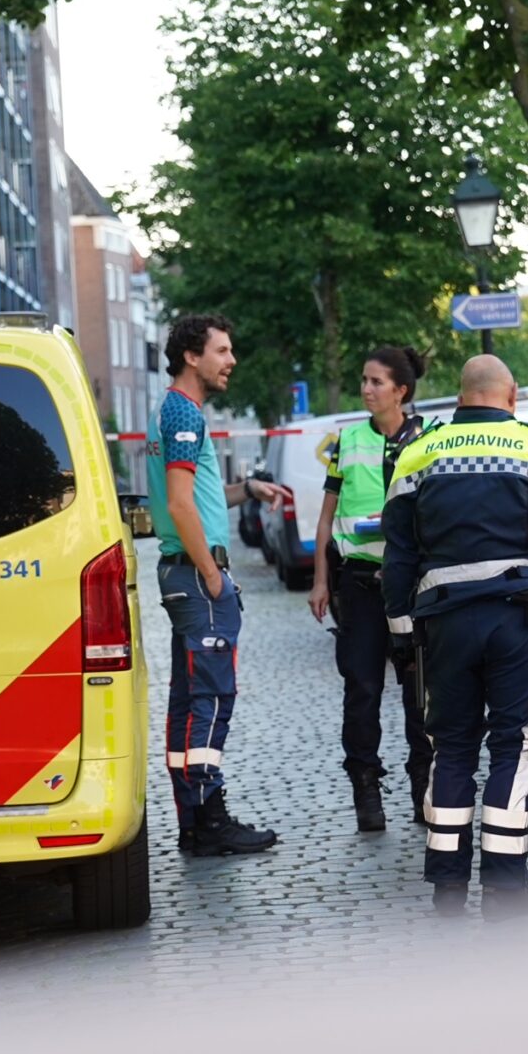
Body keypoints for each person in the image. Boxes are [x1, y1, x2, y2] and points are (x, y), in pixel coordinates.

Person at [382, 355, 528, 912]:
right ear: (509, 398)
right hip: (520, 623)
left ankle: (448, 885)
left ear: (460, 399)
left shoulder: (418, 454)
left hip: (445, 624)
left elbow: (399, 554)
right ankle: (506, 887)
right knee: (515, 744)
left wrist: (403, 635)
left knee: (451, 747)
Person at [149, 312, 277, 858]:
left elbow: (196, 495)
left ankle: (194, 822)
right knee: (212, 700)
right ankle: (210, 816)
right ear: (191, 357)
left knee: (189, 701)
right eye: (222, 351)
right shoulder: (184, 413)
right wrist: (212, 575)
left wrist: (247, 489)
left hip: (184, 573)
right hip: (196, 577)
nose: (232, 361)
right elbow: (180, 505)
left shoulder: (176, 413)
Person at [308, 346, 433, 832]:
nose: (366, 389)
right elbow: (326, 517)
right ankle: (366, 787)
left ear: (401, 390)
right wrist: (321, 580)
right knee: (362, 688)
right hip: (359, 583)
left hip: (412, 586)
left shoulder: (427, 438)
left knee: (418, 691)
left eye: (376, 381)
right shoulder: (348, 440)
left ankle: (423, 787)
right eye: (364, 379)